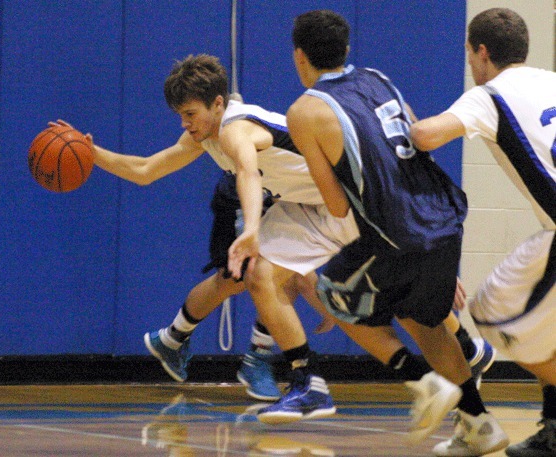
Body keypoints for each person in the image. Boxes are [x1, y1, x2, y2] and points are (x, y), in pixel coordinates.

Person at [54, 53, 493, 420]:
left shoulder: (235, 128)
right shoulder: (204, 135)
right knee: (263, 277)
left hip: (345, 201)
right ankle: (311, 382)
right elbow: (147, 171)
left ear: (217, 103)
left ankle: (460, 356)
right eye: (180, 116)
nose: (185, 124)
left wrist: (252, 228)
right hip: (311, 205)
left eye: (190, 114)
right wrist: (93, 154)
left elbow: (246, 170)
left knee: (394, 305)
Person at [284, 9, 509, 454]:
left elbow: (335, 204)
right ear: (346, 50)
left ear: (299, 56)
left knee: (324, 290)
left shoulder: (304, 111)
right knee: (423, 321)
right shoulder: (378, 78)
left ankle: (421, 382)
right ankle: (480, 423)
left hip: (394, 233)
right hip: (442, 219)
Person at [410, 8, 555, 457]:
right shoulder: (551, 80)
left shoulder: (488, 96)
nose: (471, 65)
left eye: (470, 55)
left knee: (492, 312)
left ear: (482, 52)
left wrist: (401, 122)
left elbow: (426, 136)